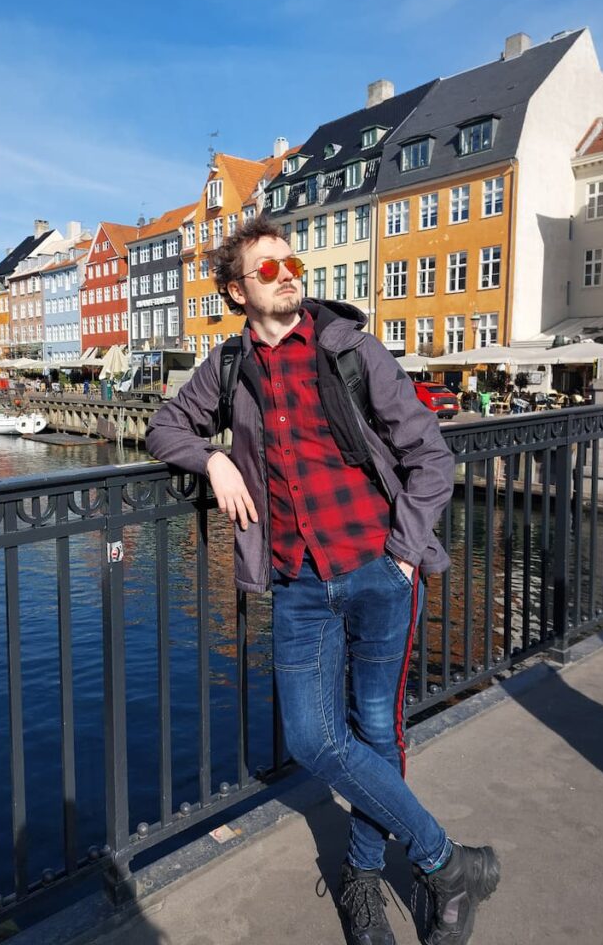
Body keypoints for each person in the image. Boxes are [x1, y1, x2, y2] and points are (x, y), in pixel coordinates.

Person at [146, 216, 500, 945]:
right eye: (267, 268)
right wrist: (212, 460)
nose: (287, 275)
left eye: (291, 264)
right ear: (236, 292)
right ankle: (446, 862)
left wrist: (404, 552)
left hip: (378, 569)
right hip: (298, 582)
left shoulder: (350, 349)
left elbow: (430, 455)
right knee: (313, 738)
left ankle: (363, 879)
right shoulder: (230, 366)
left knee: (375, 728)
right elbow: (164, 427)